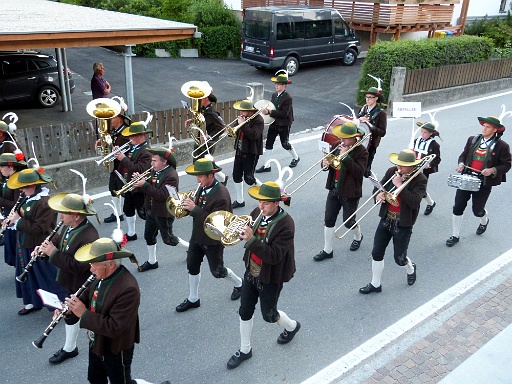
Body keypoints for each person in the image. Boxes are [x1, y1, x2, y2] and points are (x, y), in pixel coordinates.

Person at [226, 181, 300, 369]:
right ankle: (245, 350)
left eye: (265, 203)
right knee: (244, 310)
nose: (261, 206)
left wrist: (251, 239)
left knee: (269, 315)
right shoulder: (256, 213)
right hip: (251, 270)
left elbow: (274, 256)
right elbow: (247, 233)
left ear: (277, 203)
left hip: (271, 277)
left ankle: (291, 326)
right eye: (260, 201)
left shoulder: (286, 224)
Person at [65, 238, 142, 384]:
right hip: (96, 340)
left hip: (116, 348)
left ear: (110, 264)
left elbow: (114, 327)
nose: (91, 269)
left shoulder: (128, 288)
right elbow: (87, 297)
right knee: (95, 378)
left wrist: (83, 313)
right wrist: (70, 309)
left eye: (94, 264)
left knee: (120, 381)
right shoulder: (99, 275)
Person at [38, 187, 100, 364]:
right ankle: (70, 347)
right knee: (70, 314)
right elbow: (60, 240)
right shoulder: (70, 225)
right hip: (70, 280)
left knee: (78, 314)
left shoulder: (89, 236)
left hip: (82, 283)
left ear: (77, 215)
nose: (60, 217)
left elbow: (79, 266)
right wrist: (45, 249)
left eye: (64, 214)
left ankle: (79, 348)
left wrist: (53, 253)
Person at [175, 158, 243, 313]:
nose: (197, 180)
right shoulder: (202, 186)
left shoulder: (221, 195)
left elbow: (215, 222)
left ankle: (239, 283)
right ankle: (193, 298)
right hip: (197, 235)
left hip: (213, 240)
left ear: (211, 176)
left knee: (217, 271)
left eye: (200, 176)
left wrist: (194, 209)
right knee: (192, 265)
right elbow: (199, 206)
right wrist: (187, 204)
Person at [359, 149, 427, 295]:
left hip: (402, 224)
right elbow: (379, 187)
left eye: (402, 166)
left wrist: (399, 186)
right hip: (386, 218)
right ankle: (375, 284)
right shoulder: (392, 171)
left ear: (412, 166)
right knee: (377, 252)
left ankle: (410, 267)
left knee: (399, 259)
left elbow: (414, 202)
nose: (399, 168)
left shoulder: (420, 179)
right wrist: (378, 195)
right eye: (398, 164)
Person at [446, 114, 511, 247]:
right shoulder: (472, 139)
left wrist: (492, 170)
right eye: (483, 126)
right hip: (467, 177)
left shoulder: (502, 146)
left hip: (484, 182)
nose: (484, 128)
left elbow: (507, 164)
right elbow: (463, 155)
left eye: (488, 127)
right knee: (458, 206)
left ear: (495, 130)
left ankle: (483, 219)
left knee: (477, 210)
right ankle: (455, 235)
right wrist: (461, 164)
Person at [6, 167, 65, 314]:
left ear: (32, 186)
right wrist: (10, 222)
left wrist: (18, 221)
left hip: (40, 244)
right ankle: (33, 301)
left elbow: (40, 228)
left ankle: (61, 303)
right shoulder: (27, 198)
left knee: (47, 275)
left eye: (23, 188)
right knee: (29, 275)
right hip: (25, 242)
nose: (21, 191)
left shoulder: (45, 203)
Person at [313, 122, 368, 261]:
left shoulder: (362, 151)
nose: (342, 140)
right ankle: (327, 250)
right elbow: (329, 163)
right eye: (341, 137)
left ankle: (358, 236)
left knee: (348, 222)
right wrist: (324, 164)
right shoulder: (336, 145)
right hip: (334, 188)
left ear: (354, 137)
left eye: (345, 138)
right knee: (328, 220)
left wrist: (346, 157)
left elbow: (359, 172)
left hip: (350, 193)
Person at [131, 146, 188, 272]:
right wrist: (140, 181)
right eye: (152, 161)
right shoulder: (155, 171)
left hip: (163, 213)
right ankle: (152, 261)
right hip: (151, 210)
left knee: (168, 239)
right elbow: (150, 185)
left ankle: (190, 248)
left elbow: (162, 195)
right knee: (148, 236)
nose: (152, 164)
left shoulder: (171, 176)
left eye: (154, 161)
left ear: (164, 162)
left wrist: (144, 184)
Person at [114, 119, 152, 241]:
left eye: (132, 136)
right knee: (128, 209)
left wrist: (123, 158)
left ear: (141, 136)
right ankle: (131, 233)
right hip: (129, 184)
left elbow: (138, 169)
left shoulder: (146, 151)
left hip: (140, 187)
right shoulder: (132, 147)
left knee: (144, 213)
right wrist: (117, 154)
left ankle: (157, 228)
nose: (130, 138)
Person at [256, 70, 300, 172]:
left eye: (279, 84)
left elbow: (284, 113)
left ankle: (296, 157)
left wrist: (269, 112)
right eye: (276, 84)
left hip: (284, 123)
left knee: (285, 143)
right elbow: (272, 106)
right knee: (269, 143)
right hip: (274, 122)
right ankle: (267, 166)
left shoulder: (288, 98)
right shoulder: (274, 95)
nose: (276, 86)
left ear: (284, 85)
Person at [188, 90, 229, 184]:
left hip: (208, 141)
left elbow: (222, 127)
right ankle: (222, 178)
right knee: (201, 163)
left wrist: (209, 136)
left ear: (206, 98)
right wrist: (192, 120)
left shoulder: (212, 112)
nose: (198, 100)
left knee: (203, 165)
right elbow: (203, 120)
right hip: (200, 140)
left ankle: (207, 183)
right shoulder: (204, 109)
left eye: (200, 98)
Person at [102, 98, 132, 223]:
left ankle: (140, 209)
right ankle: (117, 213)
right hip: (115, 166)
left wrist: (114, 150)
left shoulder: (126, 132)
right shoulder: (115, 131)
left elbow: (127, 150)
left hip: (123, 167)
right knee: (113, 189)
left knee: (128, 192)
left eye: (112, 117)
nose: (110, 119)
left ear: (119, 118)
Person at [231, 99, 264, 209]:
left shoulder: (258, 120)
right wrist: (230, 131)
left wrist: (242, 125)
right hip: (240, 150)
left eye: (243, 111)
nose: (241, 113)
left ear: (250, 111)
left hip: (251, 152)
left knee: (249, 178)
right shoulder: (243, 118)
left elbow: (254, 135)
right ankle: (240, 200)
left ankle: (266, 190)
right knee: (236, 175)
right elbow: (234, 130)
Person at [0, 152, 27, 265]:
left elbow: (16, 204)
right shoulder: (8, 178)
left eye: (2, 166)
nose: (0, 169)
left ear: (11, 166)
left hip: (15, 219)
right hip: (8, 216)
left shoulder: (17, 181)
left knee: (17, 249)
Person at [412, 118, 441, 215]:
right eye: (422, 131)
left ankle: (428, 203)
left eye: (425, 132)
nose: (422, 134)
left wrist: (429, 164)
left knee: (419, 188)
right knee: (412, 186)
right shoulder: (417, 140)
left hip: (425, 170)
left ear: (431, 133)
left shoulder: (434, 145)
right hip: (414, 166)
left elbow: (437, 159)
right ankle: (430, 203)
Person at [357, 80, 387, 178]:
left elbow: (382, 132)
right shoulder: (363, 108)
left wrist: (369, 125)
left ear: (376, 98)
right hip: (360, 140)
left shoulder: (381, 113)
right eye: (367, 97)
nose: (367, 99)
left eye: (370, 97)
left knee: (365, 167)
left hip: (371, 142)